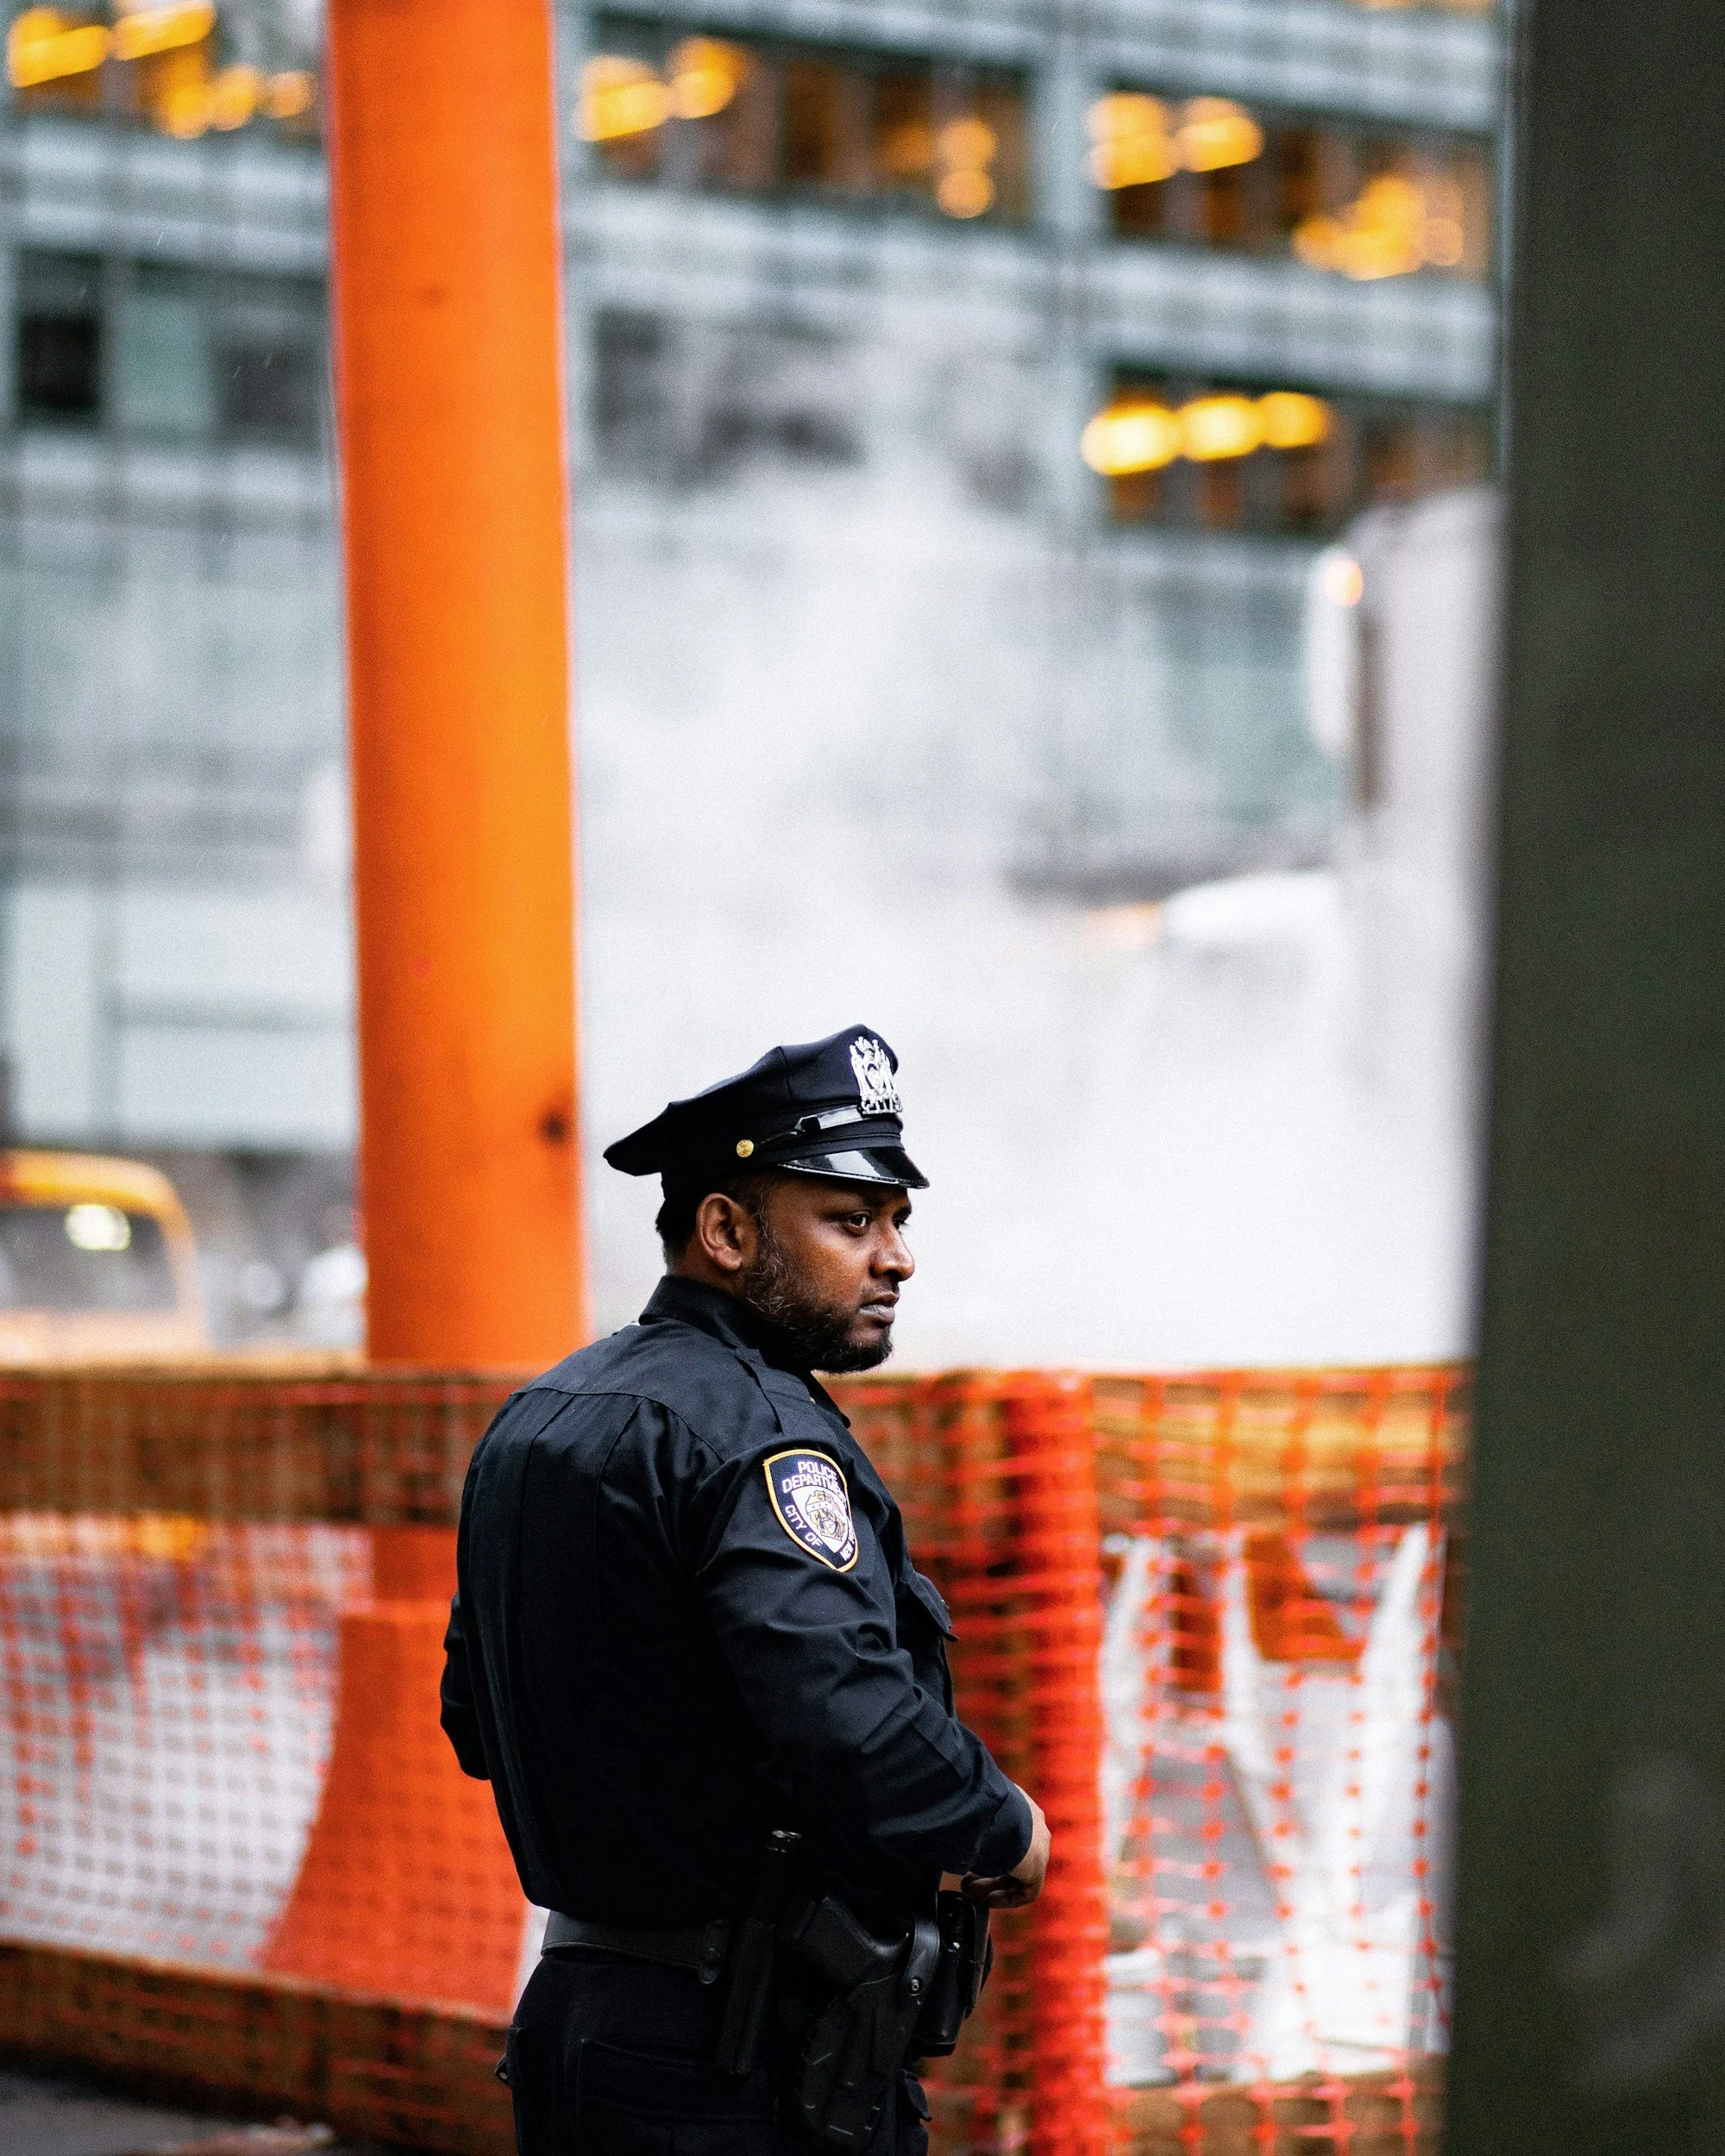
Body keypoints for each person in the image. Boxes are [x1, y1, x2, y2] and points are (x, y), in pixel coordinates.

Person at [440, 1025, 1050, 2156]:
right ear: (724, 1230)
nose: (897, 1258)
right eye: (850, 1221)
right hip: (742, 2054)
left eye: (897, 1221)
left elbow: (476, 1722)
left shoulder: (537, 1417)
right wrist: (1004, 1825)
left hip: (582, 2027)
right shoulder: (764, 1437)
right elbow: (853, 1724)